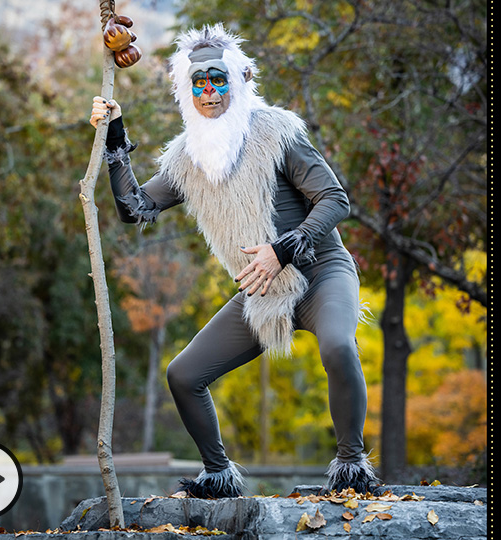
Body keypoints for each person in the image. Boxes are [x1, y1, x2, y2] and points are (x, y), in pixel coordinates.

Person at [90, 23, 377, 497]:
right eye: (197, 82)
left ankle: (352, 468)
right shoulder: (186, 159)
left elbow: (335, 199)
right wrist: (113, 129)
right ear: (185, 89)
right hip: (262, 291)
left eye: (217, 79)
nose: (208, 91)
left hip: (321, 272)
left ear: (239, 79)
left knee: (339, 347)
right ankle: (218, 475)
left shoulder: (276, 131)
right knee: (183, 375)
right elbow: (133, 208)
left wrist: (283, 248)